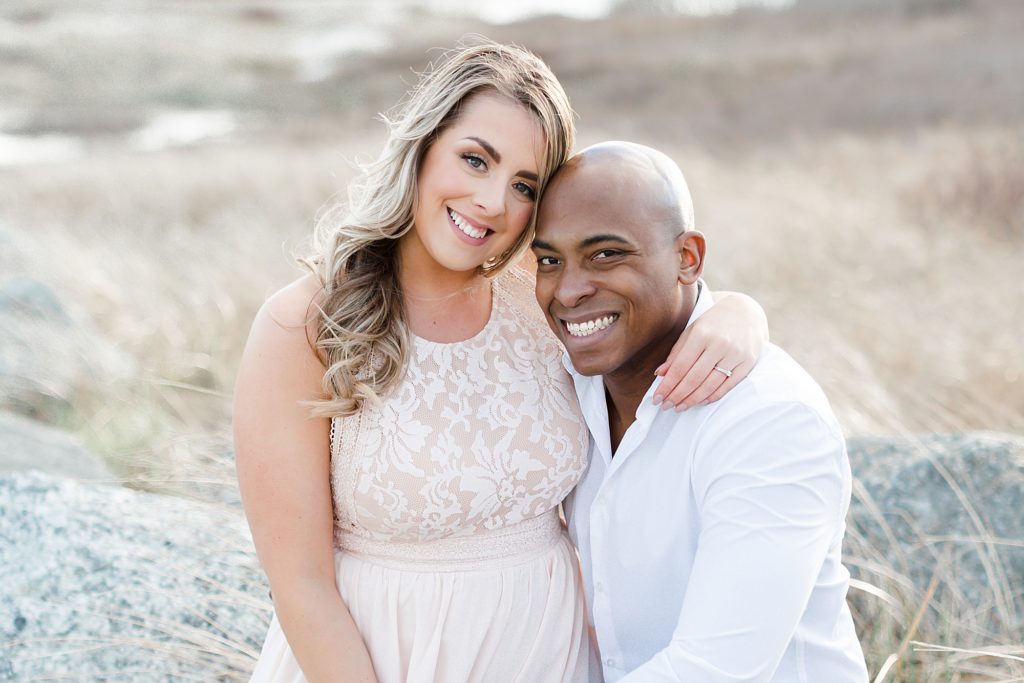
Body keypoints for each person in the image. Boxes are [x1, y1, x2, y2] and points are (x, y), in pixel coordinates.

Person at [234, 42, 767, 683]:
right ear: (423, 147)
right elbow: (301, 584)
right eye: (475, 159)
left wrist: (736, 312)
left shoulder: (543, 298)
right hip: (382, 661)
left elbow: (658, 303)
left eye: (524, 185)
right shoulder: (304, 326)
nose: (491, 201)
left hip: (550, 657)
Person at [532, 141, 869, 682]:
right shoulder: (566, 383)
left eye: (605, 254)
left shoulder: (770, 420)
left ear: (687, 259)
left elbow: (718, 667)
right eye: (550, 260)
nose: (569, 290)